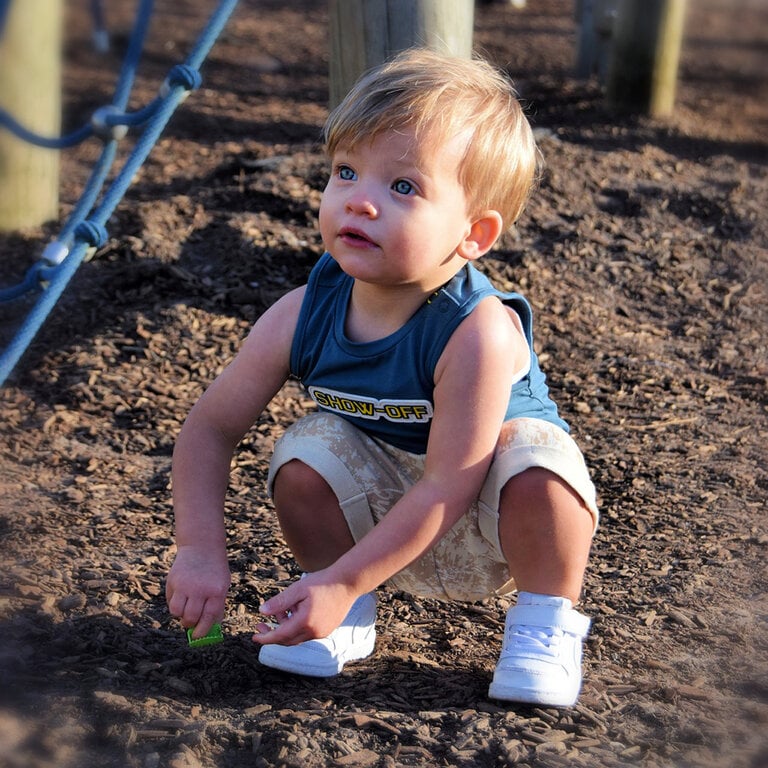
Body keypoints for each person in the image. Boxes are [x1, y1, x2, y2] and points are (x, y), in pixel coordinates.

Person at [165, 48, 599, 708]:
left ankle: (544, 626)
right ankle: (347, 613)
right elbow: (209, 428)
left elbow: (450, 483)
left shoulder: (475, 331)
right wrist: (199, 550)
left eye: (403, 187)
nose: (360, 202)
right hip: (379, 518)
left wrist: (342, 576)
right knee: (304, 456)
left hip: (493, 524)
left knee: (541, 465)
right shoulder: (301, 314)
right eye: (346, 172)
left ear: (474, 234)